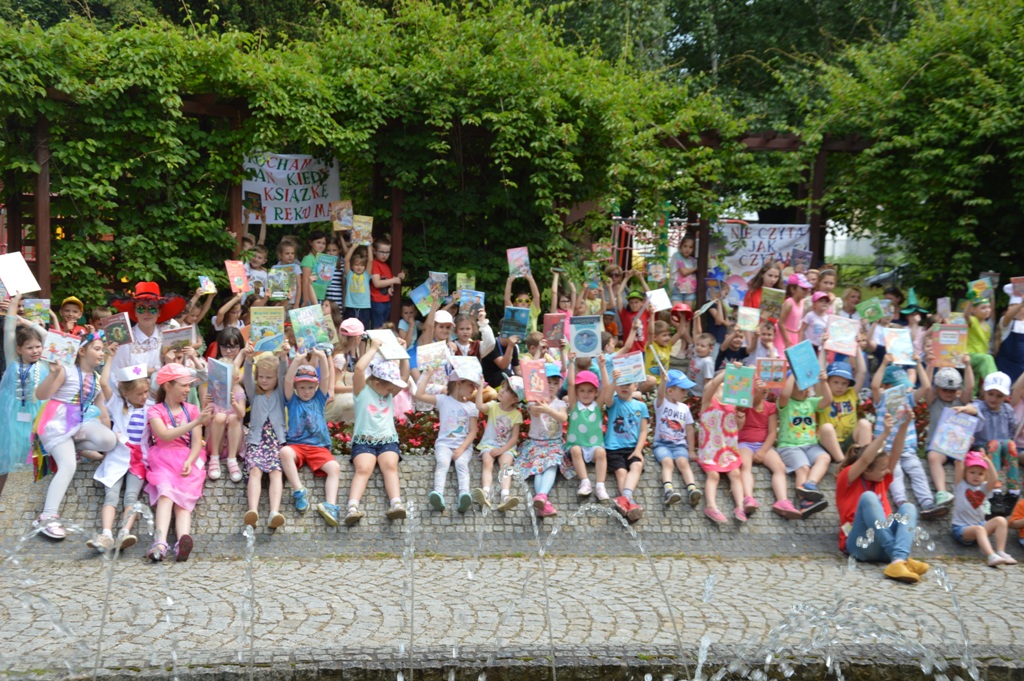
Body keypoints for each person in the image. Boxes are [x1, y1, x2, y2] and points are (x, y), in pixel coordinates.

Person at [32, 331, 118, 539]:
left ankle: (74, 448)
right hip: (56, 423)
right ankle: (47, 516)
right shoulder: (66, 371)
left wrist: (110, 437)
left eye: (103, 350)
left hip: (80, 422)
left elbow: (102, 412)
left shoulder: (96, 378)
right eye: (97, 349)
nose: (102, 353)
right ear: (81, 351)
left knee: (109, 440)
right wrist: (53, 374)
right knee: (68, 466)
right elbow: (41, 395)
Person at [837, 414, 930, 582]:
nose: (887, 471)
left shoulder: (882, 479)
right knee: (868, 497)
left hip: (883, 548)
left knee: (908, 507)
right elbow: (866, 459)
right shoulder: (847, 479)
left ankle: (898, 559)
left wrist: (904, 425)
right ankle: (899, 557)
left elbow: (896, 452)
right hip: (860, 546)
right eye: (882, 469)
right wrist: (885, 433)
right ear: (867, 469)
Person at [143, 364, 213, 562]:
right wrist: (196, 422)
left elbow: (197, 442)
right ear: (167, 386)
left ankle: (183, 541)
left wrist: (190, 460)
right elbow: (164, 435)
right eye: (183, 385)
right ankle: (159, 543)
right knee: (165, 494)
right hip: (162, 459)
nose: (187, 390)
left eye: (189, 385)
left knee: (184, 501)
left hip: (186, 459)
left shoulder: (192, 409)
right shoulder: (155, 411)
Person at [871, 354, 948, 519]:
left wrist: (919, 363)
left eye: (904, 386)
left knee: (917, 471)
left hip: (908, 450)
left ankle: (927, 503)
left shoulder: (908, 399)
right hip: (888, 450)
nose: (903, 390)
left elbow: (925, 386)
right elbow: (874, 386)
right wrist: (883, 364)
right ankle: (902, 503)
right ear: (887, 386)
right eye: (898, 387)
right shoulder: (881, 399)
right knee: (896, 473)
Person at [88, 361, 152, 552]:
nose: (144, 396)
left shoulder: (152, 408)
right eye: (139, 394)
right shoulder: (117, 405)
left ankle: (124, 532)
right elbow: (104, 383)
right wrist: (110, 357)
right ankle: (106, 534)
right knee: (111, 496)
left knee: (131, 496)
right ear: (125, 393)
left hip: (139, 459)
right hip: (117, 456)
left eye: (146, 392)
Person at [346, 338, 411, 524]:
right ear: (376, 383)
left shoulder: (388, 393)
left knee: (390, 465)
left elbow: (405, 378)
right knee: (363, 468)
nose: (392, 391)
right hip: (364, 440)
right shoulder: (362, 392)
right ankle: (352, 507)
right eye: (389, 387)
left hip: (387, 439)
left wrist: (401, 352)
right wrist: (373, 348)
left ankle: (396, 503)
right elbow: (359, 369)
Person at [278, 351, 340, 525]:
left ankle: (330, 505)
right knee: (284, 452)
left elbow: (326, 377)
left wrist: (322, 357)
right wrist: (297, 360)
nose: (307, 391)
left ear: (316, 387)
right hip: (297, 445)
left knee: (334, 468)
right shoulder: (292, 400)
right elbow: (287, 381)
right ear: (296, 388)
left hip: (318, 446)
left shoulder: (319, 398)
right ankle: (299, 490)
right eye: (303, 387)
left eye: (311, 387)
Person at [0, 294, 48, 501]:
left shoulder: (44, 363)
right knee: (6, 456)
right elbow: (9, 330)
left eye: (37, 347)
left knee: (36, 457)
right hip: (10, 415)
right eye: (29, 348)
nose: (35, 351)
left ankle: (36, 499)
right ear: (19, 349)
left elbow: (48, 336)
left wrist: (29, 323)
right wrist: (13, 303)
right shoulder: (12, 359)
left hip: (37, 415)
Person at [417, 363, 480, 513]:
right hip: (444, 444)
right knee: (443, 463)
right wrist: (427, 375)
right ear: (458, 383)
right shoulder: (443, 400)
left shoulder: (472, 407)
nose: (474, 389)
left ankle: (464, 495)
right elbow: (419, 395)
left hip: (464, 446)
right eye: (471, 384)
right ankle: (438, 494)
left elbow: (473, 431)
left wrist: (461, 449)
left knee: (461, 464)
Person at [240, 342, 290, 529]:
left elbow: (284, 375)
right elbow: (246, 377)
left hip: (276, 441)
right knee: (255, 470)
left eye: (269, 377)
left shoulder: (280, 393)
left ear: (276, 378)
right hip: (256, 441)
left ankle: (274, 512)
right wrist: (248, 359)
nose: (264, 380)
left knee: (276, 472)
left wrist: (283, 357)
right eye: (261, 376)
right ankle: (252, 511)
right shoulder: (254, 393)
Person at [737, 378, 802, 519]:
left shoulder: (770, 407)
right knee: (745, 465)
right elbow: (740, 408)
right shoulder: (745, 404)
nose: (765, 390)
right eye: (761, 388)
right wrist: (753, 393)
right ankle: (748, 497)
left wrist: (762, 451)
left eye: (766, 388)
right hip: (744, 443)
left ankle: (782, 500)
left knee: (779, 467)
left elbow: (772, 433)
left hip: (763, 444)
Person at [776, 366, 834, 518]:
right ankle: (804, 502)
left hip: (811, 445)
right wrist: (793, 373)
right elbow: (784, 394)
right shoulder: (785, 403)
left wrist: (824, 382)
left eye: (808, 386)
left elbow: (828, 400)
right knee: (803, 467)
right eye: (801, 386)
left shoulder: (811, 402)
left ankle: (810, 484)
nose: (806, 390)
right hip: (790, 446)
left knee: (825, 457)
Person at [960, 371, 1019, 517]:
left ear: (1005, 397)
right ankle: (995, 490)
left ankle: (1013, 490)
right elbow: (974, 409)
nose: (994, 398)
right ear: (984, 392)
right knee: (994, 444)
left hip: (1001, 449)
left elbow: (1011, 430)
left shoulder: (1007, 410)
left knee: (1010, 444)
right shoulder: (980, 406)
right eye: (990, 394)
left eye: (999, 396)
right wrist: (967, 410)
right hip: (983, 449)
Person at [515, 363, 569, 518]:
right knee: (538, 468)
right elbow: (535, 413)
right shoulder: (534, 401)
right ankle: (542, 499)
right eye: (548, 382)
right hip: (536, 443)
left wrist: (548, 409)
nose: (551, 386)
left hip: (554, 443)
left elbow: (563, 418)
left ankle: (541, 496)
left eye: (554, 383)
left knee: (552, 463)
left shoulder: (560, 403)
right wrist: (541, 403)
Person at [697, 365, 748, 523]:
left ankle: (740, 506)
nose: (722, 388)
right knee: (713, 475)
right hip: (710, 450)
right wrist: (728, 371)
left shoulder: (733, 406)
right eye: (721, 385)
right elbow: (713, 384)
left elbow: (738, 427)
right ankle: (711, 506)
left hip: (727, 450)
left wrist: (740, 419)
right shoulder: (707, 403)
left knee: (736, 474)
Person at [600, 364, 649, 523]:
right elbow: (606, 397)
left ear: (635, 386)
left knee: (637, 465)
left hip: (632, 447)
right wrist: (614, 380)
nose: (624, 387)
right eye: (621, 384)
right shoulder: (613, 402)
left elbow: (643, 431)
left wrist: (638, 450)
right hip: (614, 447)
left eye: (628, 384)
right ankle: (630, 502)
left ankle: (625, 499)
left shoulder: (641, 406)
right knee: (621, 472)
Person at [951, 450, 1017, 567]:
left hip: (979, 525)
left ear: (985, 476)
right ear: (965, 473)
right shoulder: (960, 484)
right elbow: (958, 464)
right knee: (979, 529)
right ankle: (991, 556)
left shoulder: (984, 488)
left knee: (1001, 520)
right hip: (962, 528)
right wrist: (962, 450)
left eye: (980, 474)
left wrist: (988, 461)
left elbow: (994, 478)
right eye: (972, 472)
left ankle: (1001, 552)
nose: (976, 476)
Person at [109, 282, 187, 376]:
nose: (147, 313)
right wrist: (149, 371)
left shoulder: (168, 334)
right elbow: (116, 374)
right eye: (141, 309)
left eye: (152, 308)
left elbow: (180, 370)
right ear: (135, 312)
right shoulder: (125, 340)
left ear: (159, 312)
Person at [924, 363, 975, 507]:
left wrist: (968, 365)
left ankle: (974, 494)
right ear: (937, 388)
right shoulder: (933, 402)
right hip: (939, 447)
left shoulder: (960, 401)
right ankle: (942, 492)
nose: (948, 393)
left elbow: (970, 387)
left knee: (972, 461)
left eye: (952, 390)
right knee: (933, 457)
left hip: (958, 446)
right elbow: (926, 386)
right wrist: (930, 365)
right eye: (944, 389)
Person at [472, 375, 526, 512]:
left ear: (514, 399)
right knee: (487, 462)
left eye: (506, 390)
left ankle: (505, 496)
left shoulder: (516, 414)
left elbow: (514, 438)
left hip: (506, 447)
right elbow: (479, 406)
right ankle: (485, 492)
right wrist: (480, 388)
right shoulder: (493, 406)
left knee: (506, 465)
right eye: (502, 387)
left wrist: (502, 450)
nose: (501, 391)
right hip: (489, 444)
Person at [565, 355, 612, 501]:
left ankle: (600, 486)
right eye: (582, 390)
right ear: (577, 392)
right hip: (576, 446)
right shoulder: (574, 405)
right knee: (575, 450)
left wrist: (602, 367)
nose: (586, 394)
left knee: (601, 452)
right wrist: (571, 363)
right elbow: (571, 384)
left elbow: (606, 387)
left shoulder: (597, 406)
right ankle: (585, 482)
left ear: (596, 392)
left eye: (590, 391)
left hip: (594, 447)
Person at [653, 369, 700, 507]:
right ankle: (668, 490)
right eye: (682, 389)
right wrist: (663, 381)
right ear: (670, 391)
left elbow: (689, 429)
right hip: (662, 444)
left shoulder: (685, 408)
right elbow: (660, 394)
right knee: (667, 462)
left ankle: (692, 489)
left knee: (683, 463)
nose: (686, 393)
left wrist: (691, 450)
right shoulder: (661, 404)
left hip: (679, 445)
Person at [206, 328, 247, 482]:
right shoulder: (212, 389)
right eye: (225, 346)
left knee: (234, 417)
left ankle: (232, 460)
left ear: (235, 378)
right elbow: (204, 420)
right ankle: (214, 458)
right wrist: (207, 403)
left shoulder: (238, 390)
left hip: (233, 444)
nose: (228, 350)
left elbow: (241, 414)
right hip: (214, 442)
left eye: (233, 347)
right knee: (220, 416)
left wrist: (233, 403)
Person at [369, 236, 405, 329]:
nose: (384, 255)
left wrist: (398, 278)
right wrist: (394, 280)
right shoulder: (375, 264)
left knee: (384, 327)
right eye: (381, 252)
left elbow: (388, 282)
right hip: (377, 301)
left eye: (387, 252)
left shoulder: (386, 266)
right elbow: (377, 283)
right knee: (378, 328)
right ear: (374, 251)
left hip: (386, 301)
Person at [965, 293, 998, 386]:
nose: (987, 310)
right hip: (970, 355)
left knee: (973, 384)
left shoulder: (988, 326)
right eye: (983, 308)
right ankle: (995, 385)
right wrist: (970, 300)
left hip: (980, 359)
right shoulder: (973, 320)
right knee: (988, 358)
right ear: (974, 310)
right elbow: (965, 316)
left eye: (989, 307)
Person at [776, 273, 812, 352]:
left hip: (794, 335)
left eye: (807, 288)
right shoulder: (789, 303)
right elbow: (781, 323)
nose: (806, 291)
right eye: (803, 288)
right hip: (784, 335)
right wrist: (787, 340)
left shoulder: (802, 302)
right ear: (793, 289)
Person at [343, 241, 371, 327]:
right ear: (352, 266)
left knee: (363, 329)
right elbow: (346, 260)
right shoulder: (349, 274)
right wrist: (353, 247)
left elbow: (370, 261)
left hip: (364, 307)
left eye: (362, 265)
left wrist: (369, 245)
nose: (359, 267)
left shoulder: (366, 275)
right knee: (349, 328)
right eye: (356, 264)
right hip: (350, 306)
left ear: (365, 267)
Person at [299, 231, 328, 306]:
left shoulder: (323, 260)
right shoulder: (308, 258)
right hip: (310, 298)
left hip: (320, 297)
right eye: (318, 242)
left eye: (323, 243)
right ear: (311, 242)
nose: (321, 246)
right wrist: (305, 300)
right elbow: (305, 281)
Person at [669, 233, 697, 304]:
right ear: (680, 247)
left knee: (687, 311)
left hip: (690, 291)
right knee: (677, 310)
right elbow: (684, 272)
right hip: (678, 290)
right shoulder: (677, 256)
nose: (687, 249)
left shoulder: (693, 260)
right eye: (685, 246)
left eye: (690, 247)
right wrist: (696, 268)